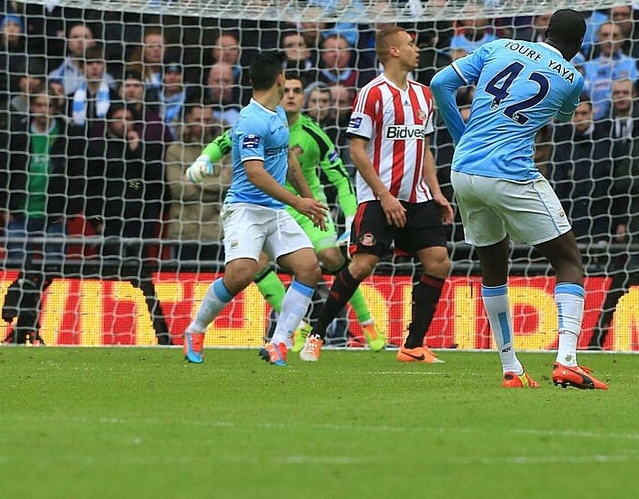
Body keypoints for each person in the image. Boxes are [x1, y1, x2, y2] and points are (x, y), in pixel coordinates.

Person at [430, 8, 608, 390]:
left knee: (494, 265)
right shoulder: (572, 78)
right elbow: (561, 118)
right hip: (510, 173)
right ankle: (566, 360)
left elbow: (440, 84)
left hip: (463, 173)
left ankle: (511, 368)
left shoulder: (498, 46)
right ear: (579, 46)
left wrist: (462, 137)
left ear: (544, 30)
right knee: (568, 261)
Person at [188, 75, 385, 351]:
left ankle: (367, 323)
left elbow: (340, 177)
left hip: (305, 206)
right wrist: (204, 159)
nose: (291, 95)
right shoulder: (259, 121)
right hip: (268, 205)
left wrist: (351, 215)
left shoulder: (313, 133)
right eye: (287, 90)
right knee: (249, 268)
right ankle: (295, 328)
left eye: (297, 91)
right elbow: (224, 141)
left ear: (303, 97)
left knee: (328, 256)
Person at [297, 26, 452, 365]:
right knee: (363, 263)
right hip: (379, 197)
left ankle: (413, 346)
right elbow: (357, 151)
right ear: (393, 51)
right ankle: (317, 335)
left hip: (418, 196)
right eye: (411, 44)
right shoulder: (372, 93)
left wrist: (437, 192)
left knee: (439, 261)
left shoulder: (424, 95)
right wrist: (385, 196)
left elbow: (423, 148)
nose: (417, 50)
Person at [180, 52, 328, 366]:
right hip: (245, 209)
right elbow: (254, 173)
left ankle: (279, 342)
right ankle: (195, 329)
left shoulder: (277, 114)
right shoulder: (251, 119)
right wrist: (298, 202)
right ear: (279, 80)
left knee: (309, 268)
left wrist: (308, 201)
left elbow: (289, 161)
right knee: (240, 274)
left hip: (274, 210)